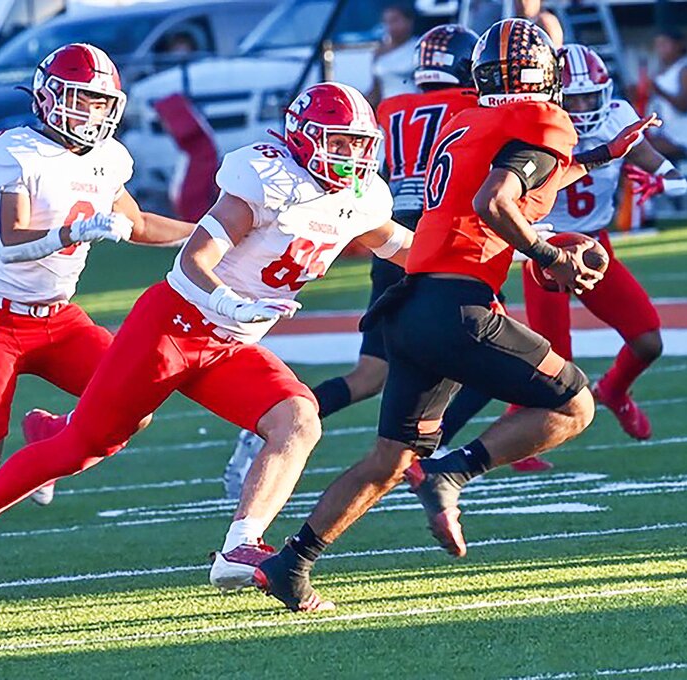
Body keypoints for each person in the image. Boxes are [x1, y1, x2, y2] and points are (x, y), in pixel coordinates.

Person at [0, 82, 416, 618]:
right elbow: (195, 262)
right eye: (341, 142)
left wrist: (476, 259)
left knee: (299, 420)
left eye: (361, 144)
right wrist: (231, 302)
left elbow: (401, 246)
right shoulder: (265, 179)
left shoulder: (360, 197)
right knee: (81, 447)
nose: (353, 156)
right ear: (305, 138)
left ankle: (242, 544)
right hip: (174, 326)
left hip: (229, 346)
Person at [254, 19, 660, 612]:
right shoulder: (542, 118)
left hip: (410, 302)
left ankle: (292, 562)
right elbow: (495, 199)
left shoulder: (468, 119)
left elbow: (522, 173)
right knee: (575, 403)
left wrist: (599, 155)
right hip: (458, 307)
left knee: (389, 459)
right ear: (547, 75)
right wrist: (550, 256)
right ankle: (454, 472)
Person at [0, 43, 194, 609]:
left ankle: (54, 433)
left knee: (137, 401)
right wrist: (72, 235)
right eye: (81, 100)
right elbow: (11, 238)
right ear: (48, 97)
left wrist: (210, 231)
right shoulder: (14, 151)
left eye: (101, 103)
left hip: (60, 318)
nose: (92, 114)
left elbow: (139, 221)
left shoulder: (108, 159)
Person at [222, 24, 481, 500]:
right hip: (433, 240)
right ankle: (430, 460)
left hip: (391, 233)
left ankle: (267, 426)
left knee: (371, 375)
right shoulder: (469, 107)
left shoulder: (393, 107)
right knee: (483, 353)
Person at [437, 44, 687, 459]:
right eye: (576, 97)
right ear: (555, 94)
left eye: (593, 95)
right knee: (550, 369)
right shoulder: (539, 124)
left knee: (648, 340)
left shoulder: (615, 117)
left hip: (593, 247)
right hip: (544, 248)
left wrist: (670, 179)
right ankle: (513, 448)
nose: (586, 105)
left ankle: (614, 391)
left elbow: (650, 157)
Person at [644, 30, 687, 160]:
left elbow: (684, 106)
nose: (660, 50)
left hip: (683, 136)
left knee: (640, 149)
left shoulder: (686, 69)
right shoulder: (659, 71)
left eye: (664, 44)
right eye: (658, 45)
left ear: (678, 45)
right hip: (663, 133)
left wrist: (659, 91)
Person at [367, 4, 418, 109]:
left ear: (409, 22)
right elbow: (376, 91)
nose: (391, 26)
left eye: (395, 21)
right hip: (388, 112)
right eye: (387, 22)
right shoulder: (379, 51)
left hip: (413, 109)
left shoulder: (418, 47)